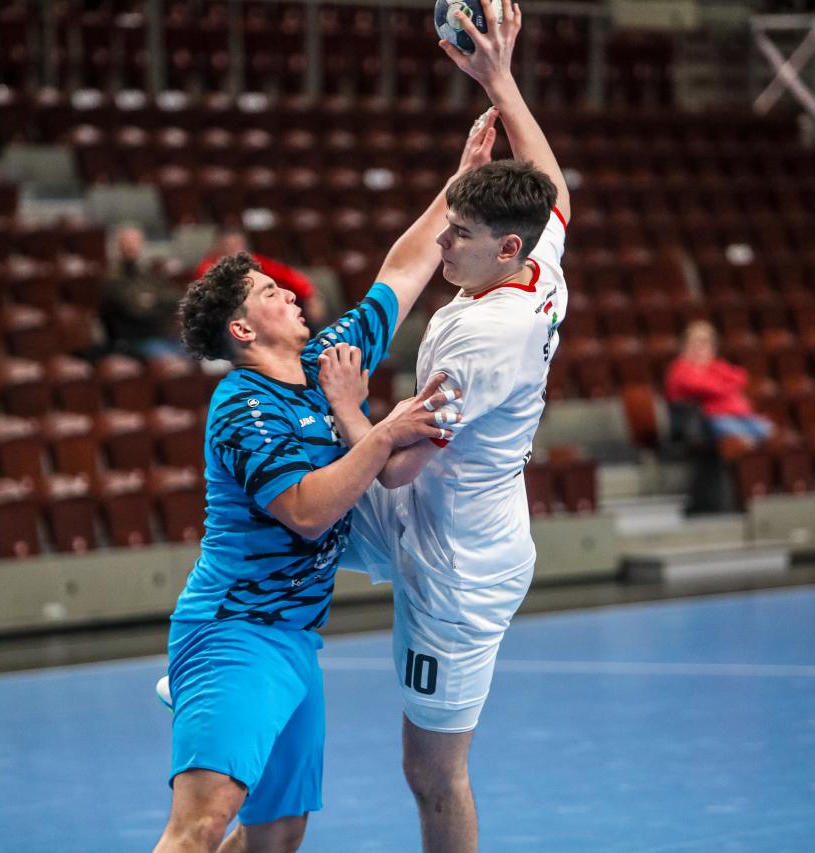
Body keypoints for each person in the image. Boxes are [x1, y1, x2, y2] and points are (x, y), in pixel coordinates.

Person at [152, 113, 498, 853]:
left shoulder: (325, 363)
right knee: (201, 826)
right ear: (243, 331)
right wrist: (380, 430)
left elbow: (401, 274)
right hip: (235, 632)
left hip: (295, 640)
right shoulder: (242, 404)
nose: (287, 291)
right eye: (267, 292)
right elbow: (308, 512)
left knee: (277, 835)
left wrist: (456, 186)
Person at [316, 3, 570, 849]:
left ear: (506, 248)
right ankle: (228, 658)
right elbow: (553, 184)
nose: (443, 246)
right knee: (292, 500)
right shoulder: (538, 259)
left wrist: (350, 404)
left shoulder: (480, 340)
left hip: (456, 569)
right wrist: (499, 79)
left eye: (458, 237)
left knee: (432, 773)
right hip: (431, 513)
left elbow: (392, 466)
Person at [665, 320, 775, 449]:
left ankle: (750, 443)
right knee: (733, 432)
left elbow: (740, 376)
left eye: (704, 344)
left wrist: (720, 386)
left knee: (765, 428)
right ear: (684, 347)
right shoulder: (680, 368)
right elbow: (703, 387)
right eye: (694, 343)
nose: (699, 348)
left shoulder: (716, 366)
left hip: (738, 414)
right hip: (709, 419)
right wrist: (724, 386)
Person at [195, 228, 327, 329]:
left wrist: (310, 295)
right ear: (218, 246)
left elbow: (288, 275)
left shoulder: (251, 261)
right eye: (229, 245)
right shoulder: (208, 268)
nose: (234, 250)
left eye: (238, 245)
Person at [101, 225, 187, 359]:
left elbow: (175, 297)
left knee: (197, 354)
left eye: (135, 242)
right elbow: (136, 310)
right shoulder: (112, 277)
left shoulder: (147, 271)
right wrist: (157, 303)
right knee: (173, 362)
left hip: (162, 334)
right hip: (132, 340)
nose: (131, 247)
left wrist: (152, 300)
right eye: (126, 243)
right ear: (117, 247)